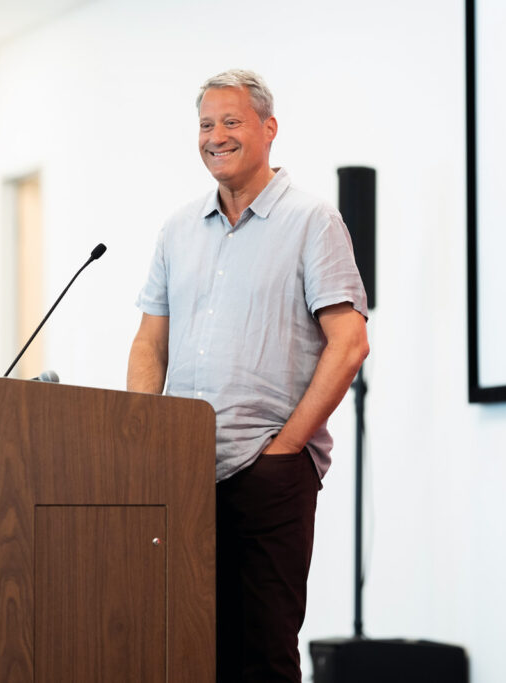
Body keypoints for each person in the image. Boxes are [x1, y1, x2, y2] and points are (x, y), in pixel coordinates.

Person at [127, 68, 369, 683]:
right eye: (206, 124)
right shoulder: (178, 229)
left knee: (260, 658)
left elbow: (348, 345)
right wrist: (142, 439)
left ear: (269, 129)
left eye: (231, 121)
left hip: (268, 476)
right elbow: (150, 343)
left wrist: (285, 450)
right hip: (179, 477)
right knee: (182, 650)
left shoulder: (312, 221)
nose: (216, 136)